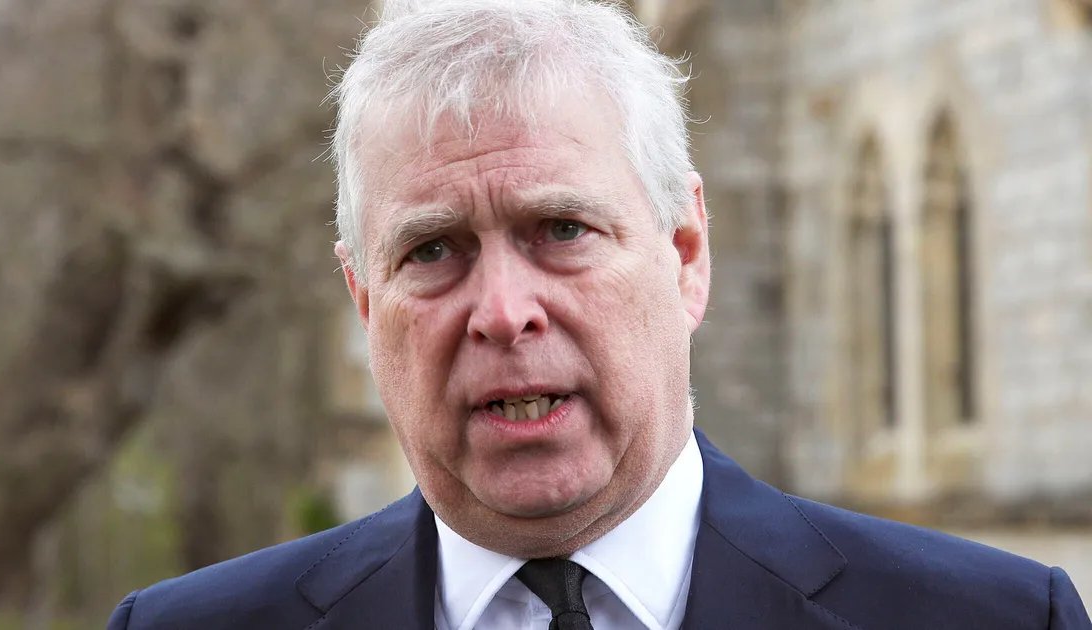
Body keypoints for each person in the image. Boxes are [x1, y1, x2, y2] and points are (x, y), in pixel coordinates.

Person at [107, 1, 1091, 628]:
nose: (503, 314)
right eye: (433, 250)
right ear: (365, 301)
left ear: (686, 254)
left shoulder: (996, 619)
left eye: (562, 229)